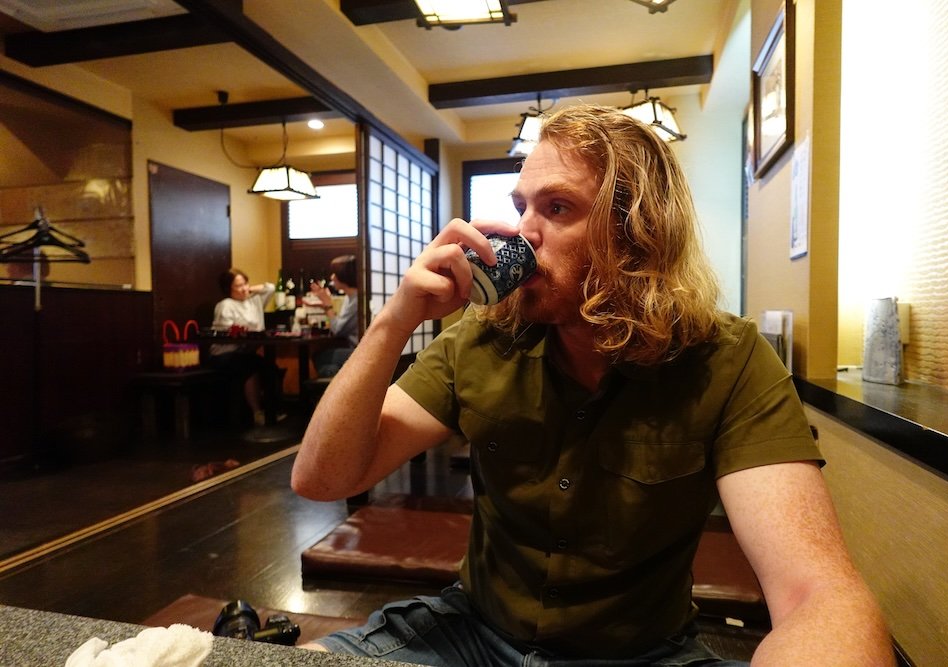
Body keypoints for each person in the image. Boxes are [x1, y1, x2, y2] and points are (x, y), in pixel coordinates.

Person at [291, 105, 893, 665]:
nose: (523, 230)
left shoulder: (728, 361)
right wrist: (395, 320)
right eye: (521, 205)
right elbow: (323, 479)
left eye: (556, 208)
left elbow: (820, 594)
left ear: (636, 232)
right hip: (471, 636)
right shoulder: (480, 340)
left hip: (644, 654)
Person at [208, 268, 277, 426]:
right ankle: (257, 413)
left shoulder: (255, 301)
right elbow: (226, 334)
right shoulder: (225, 305)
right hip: (224, 355)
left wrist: (250, 289)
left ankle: (272, 411)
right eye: (238, 286)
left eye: (245, 283)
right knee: (250, 368)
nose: (244, 288)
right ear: (228, 289)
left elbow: (271, 288)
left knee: (270, 368)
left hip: (246, 352)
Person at [308, 255, 359, 378]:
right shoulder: (350, 297)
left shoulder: (356, 300)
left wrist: (328, 305)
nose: (332, 277)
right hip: (354, 348)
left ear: (344, 276)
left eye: (335, 274)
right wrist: (325, 305)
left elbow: (337, 330)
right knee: (324, 362)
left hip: (361, 351)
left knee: (320, 357)